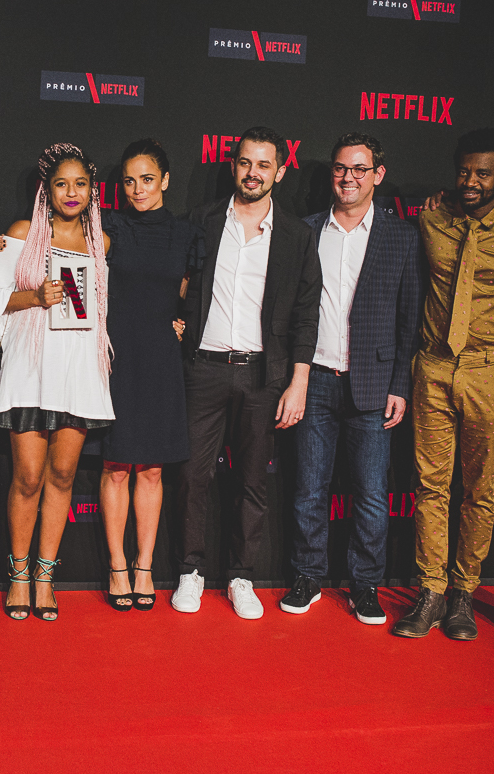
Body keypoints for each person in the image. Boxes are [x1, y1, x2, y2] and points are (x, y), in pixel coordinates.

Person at [393, 128, 494, 640]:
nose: (471, 181)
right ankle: (430, 591)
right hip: (433, 368)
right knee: (430, 486)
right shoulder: (433, 216)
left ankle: (463, 594)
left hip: (490, 371)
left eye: (483, 173)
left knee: (479, 490)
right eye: (464, 172)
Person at [171, 126, 322, 620]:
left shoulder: (298, 235)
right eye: (244, 162)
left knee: (253, 483)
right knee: (193, 476)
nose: (252, 173)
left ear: (280, 170)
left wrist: (298, 382)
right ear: (233, 166)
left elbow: (306, 314)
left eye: (263, 165)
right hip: (205, 369)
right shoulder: (204, 221)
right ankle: (190, 571)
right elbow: (178, 280)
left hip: (263, 376)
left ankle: (241, 576)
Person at [283, 133, 422, 625]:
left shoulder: (401, 236)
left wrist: (400, 385)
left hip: (373, 382)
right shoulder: (305, 230)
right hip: (315, 379)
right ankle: (308, 575)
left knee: (369, 493)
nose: (348, 178)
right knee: (308, 488)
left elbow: (410, 319)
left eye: (360, 170)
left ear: (377, 175)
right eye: (342, 169)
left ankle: (366, 585)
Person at [0, 142, 114, 621]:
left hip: (78, 375)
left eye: (80, 183)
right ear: (48, 189)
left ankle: (45, 576)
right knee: (28, 477)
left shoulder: (102, 242)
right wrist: (36, 295)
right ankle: (18, 576)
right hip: (30, 373)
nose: (72, 192)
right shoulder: (21, 235)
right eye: (62, 183)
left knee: (62, 477)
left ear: (92, 190)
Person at [98, 138, 200, 611]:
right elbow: (56, 240)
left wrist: (184, 322)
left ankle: (145, 566)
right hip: (117, 356)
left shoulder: (185, 233)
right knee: (117, 466)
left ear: (164, 181)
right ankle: (117, 565)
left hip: (161, 356)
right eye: (129, 181)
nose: (137, 189)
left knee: (153, 469)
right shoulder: (110, 224)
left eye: (147, 179)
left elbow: (191, 293)